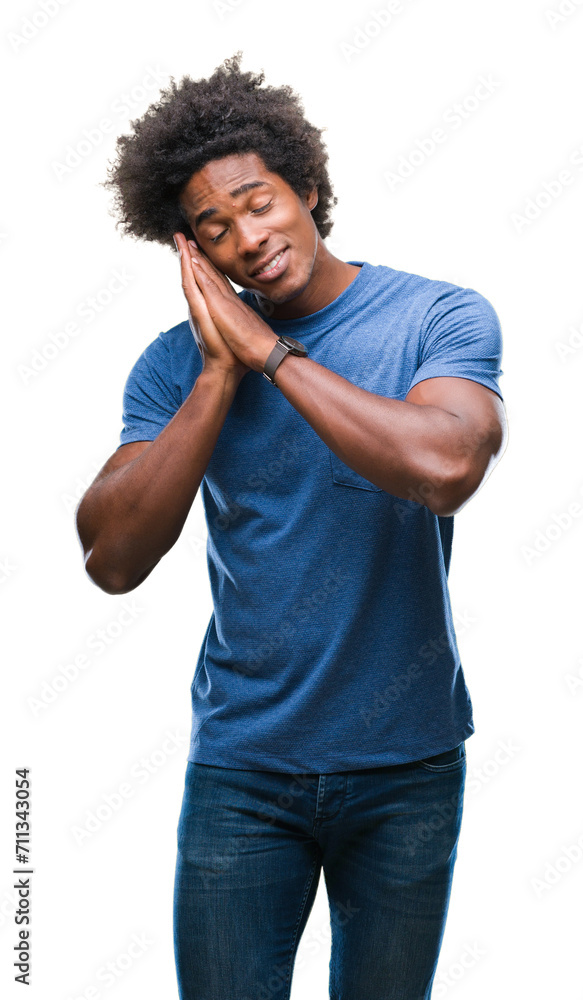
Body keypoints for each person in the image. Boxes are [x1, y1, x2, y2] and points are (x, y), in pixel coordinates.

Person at [75, 51, 508, 1000]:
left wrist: (268, 353)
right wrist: (218, 375)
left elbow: (444, 467)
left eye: (258, 200)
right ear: (192, 252)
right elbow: (111, 556)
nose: (248, 238)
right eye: (213, 228)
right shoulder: (174, 368)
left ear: (307, 184)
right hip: (243, 769)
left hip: (408, 763)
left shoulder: (437, 315)